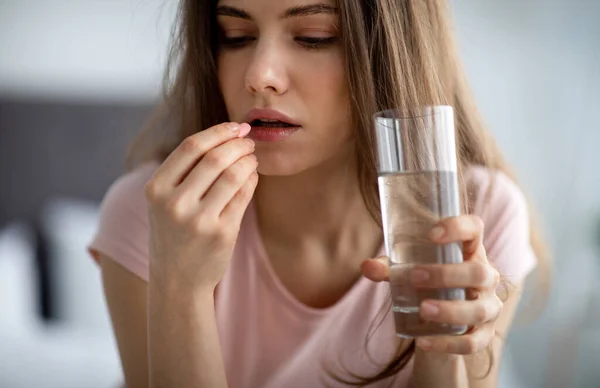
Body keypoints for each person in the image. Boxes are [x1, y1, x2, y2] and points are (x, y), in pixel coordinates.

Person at [88, 0, 546, 387]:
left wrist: (441, 350)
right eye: (235, 35)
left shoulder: (477, 215)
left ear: (388, 53)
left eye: (313, 36)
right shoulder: (155, 214)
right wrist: (181, 287)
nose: (259, 76)